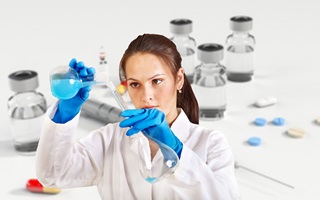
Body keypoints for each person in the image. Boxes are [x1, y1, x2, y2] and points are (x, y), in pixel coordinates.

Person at [36, 33, 240, 200]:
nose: (146, 96)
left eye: (157, 81)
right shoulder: (110, 140)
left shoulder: (211, 143)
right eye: (135, 84)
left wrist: (176, 150)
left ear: (178, 80)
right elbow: (53, 176)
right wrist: (65, 113)